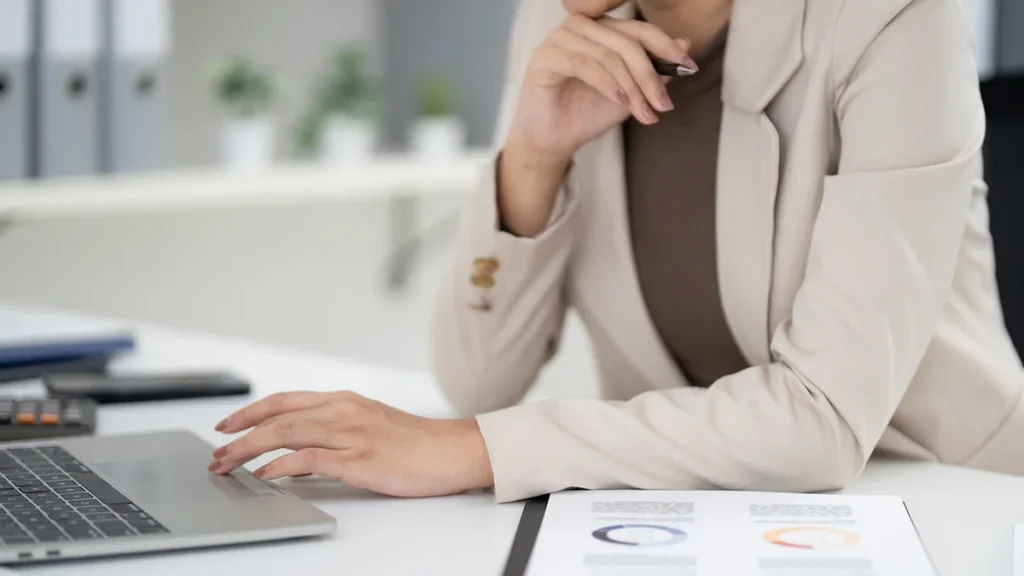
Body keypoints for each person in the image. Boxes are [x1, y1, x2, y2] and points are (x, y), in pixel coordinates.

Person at [208, 0, 1024, 503]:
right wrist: (532, 160)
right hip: (695, 509)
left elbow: (821, 422)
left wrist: (469, 450)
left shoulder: (893, 18)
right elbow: (477, 378)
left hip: (940, 501)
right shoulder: (564, 23)